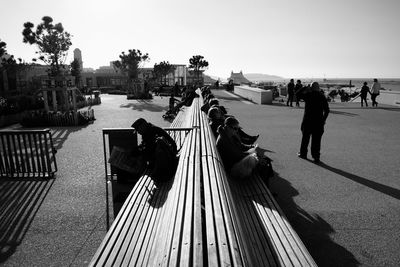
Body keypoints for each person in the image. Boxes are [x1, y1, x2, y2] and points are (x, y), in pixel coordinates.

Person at [216, 117, 273, 184]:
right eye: (235, 128)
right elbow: (237, 155)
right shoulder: (224, 140)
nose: (237, 131)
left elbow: (241, 146)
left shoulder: (229, 135)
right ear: (227, 126)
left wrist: (252, 147)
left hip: (237, 162)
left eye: (237, 128)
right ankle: (264, 190)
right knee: (263, 164)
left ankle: (266, 186)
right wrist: (254, 154)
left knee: (265, 160)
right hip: (233, 168)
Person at [131, 118, 178, 182]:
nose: (138, 133)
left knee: (140, 158)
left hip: (167, 160)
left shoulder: (151, 132)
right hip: (167, 156)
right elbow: (146, 145)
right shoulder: (149, 130)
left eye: (138, 130)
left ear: (142, 126)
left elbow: (148, 150)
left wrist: (137, 152)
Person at [297, 82, 330, 163]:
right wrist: (323, 120)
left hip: (307, 121)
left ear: (311, 88)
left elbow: (297, 94)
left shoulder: (308, 95)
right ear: (318, 88)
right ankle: (316, 157)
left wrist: (305, 87)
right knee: (316, 141)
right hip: (318, 122)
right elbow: (327, 110)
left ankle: (303, 154)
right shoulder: (322, 96)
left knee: (305, 139)